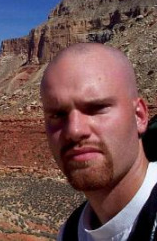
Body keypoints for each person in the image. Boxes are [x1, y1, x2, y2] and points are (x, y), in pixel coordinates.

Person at [40, 43, 157, 240]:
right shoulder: (71, 232)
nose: (74, 130)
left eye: (96, 108)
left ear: (139, 116)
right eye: (58, 114)